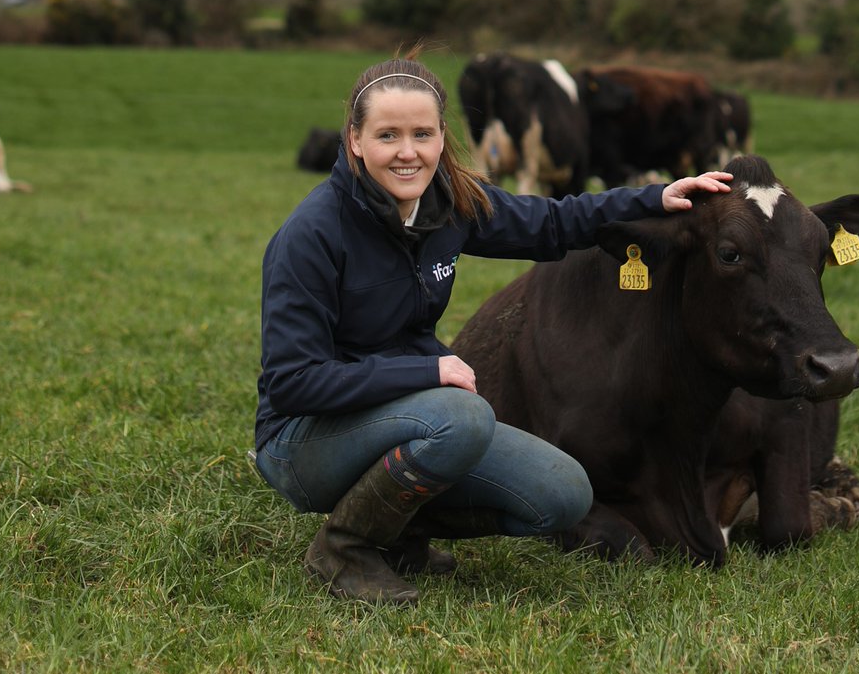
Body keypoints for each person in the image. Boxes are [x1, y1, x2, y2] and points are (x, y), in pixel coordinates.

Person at [254, 54, 732, 605]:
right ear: (355, 141)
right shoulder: (311, 236)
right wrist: (426, 369)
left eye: (422, 134)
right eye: (388, 135)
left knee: (564, 493)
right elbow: (293, 383)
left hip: (405, 416)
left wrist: (653, 198)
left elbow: (551, 223)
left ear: (441, 138)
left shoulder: (448, 206)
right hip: (304, 440)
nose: (408, 152)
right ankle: (344, 547)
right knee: (460, 417)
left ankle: (399, 532)